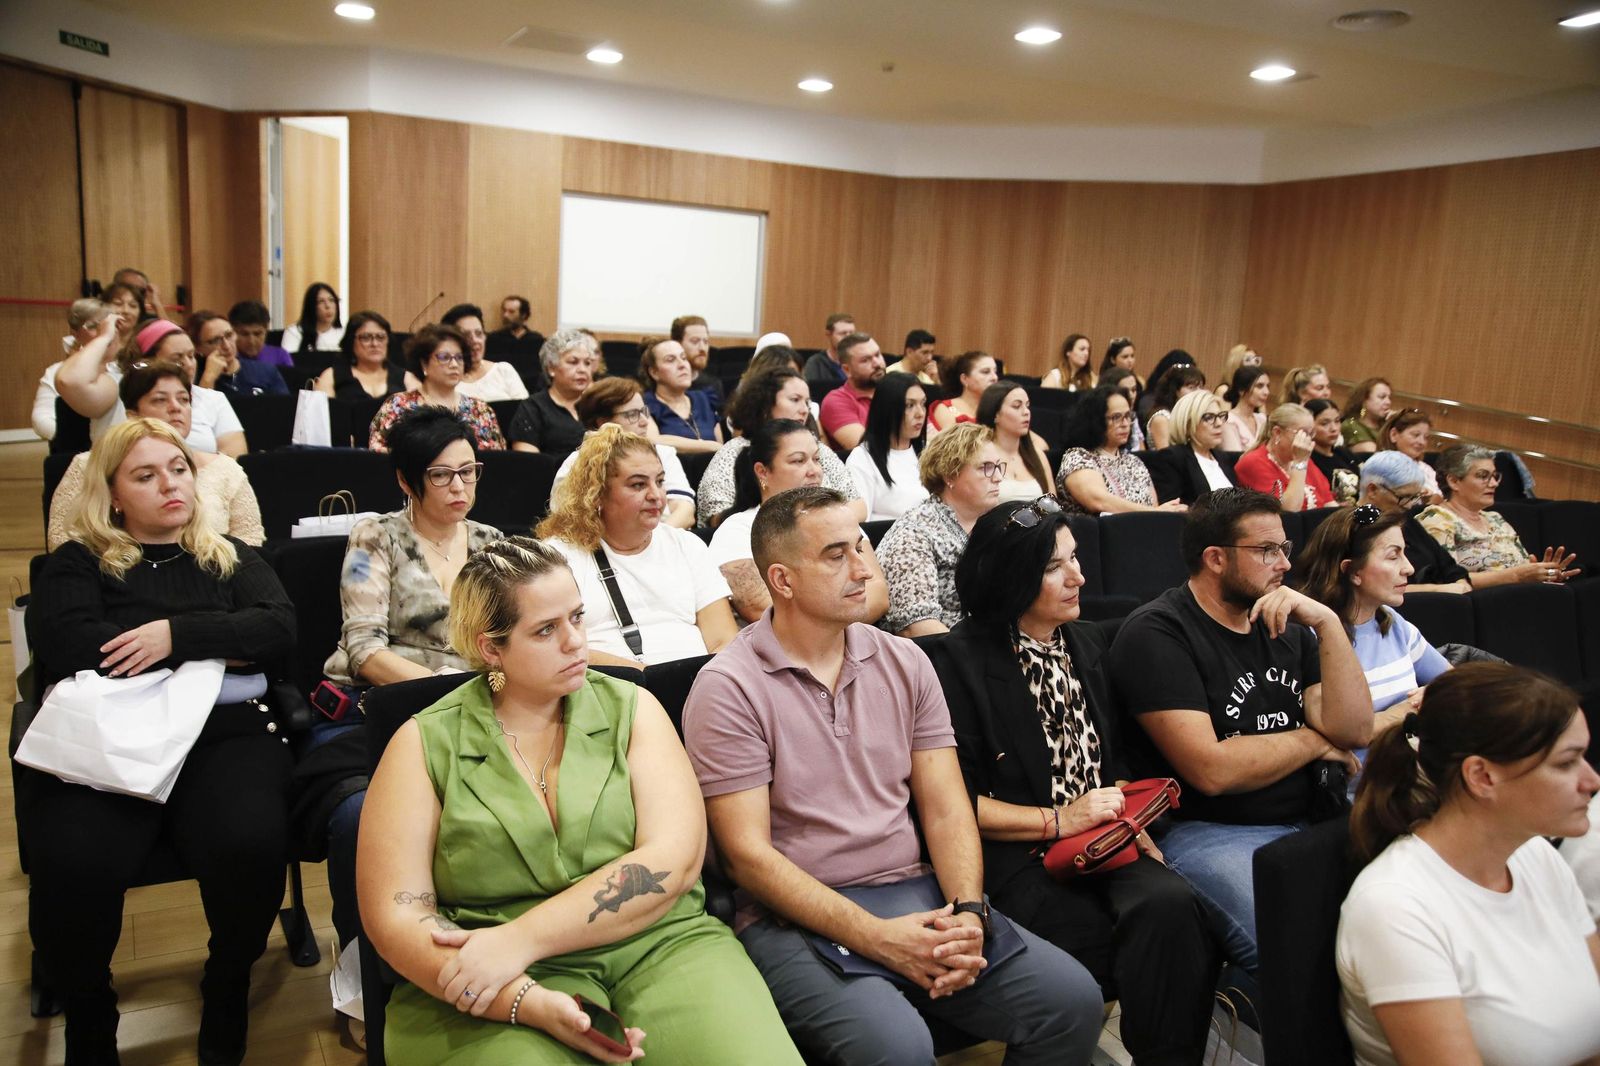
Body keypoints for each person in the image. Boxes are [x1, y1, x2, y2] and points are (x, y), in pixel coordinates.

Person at [683, 486, 1105, 1066]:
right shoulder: (728, 688)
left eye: (861, 546)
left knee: (1072, 1001)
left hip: (918, 890)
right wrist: (879, 938)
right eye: (836, 555)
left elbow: (946, 806)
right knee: (897, 1047)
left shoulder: (906, 661)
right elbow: (746, 858)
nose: (864, 568)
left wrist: (968, 913)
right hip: (796, 916)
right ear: (782, 581)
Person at [359, 536, 802, 1066]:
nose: (576, 642)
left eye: (577, 617)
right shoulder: (422, 743)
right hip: (487, 971)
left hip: (657, 942)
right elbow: (398, 917)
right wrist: (522, 1000)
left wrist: (520, 939)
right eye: (546, 630)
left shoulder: (633, 707)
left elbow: (675, 859)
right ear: (490, 648)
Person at [23, 417, 296, 1066]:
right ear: (113, 493)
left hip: (223, 735)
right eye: (145, 476)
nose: (170, 485)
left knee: (252, 843)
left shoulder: (229, 554)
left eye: (178, 469)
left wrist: (172, 638)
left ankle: (227, 982)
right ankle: (91, 1013)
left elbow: (278, 630)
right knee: (71, 863)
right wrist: (220, 637)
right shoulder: (78, 561)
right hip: (110, 737)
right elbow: (68, 645)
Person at [932, 499, 1221, 1066]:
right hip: (1016, 852)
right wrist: (1061, 819)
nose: (1079, 576)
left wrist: (1129, 819)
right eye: (1054, 567)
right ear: (1011, 575)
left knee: (1175, 909)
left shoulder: (1087, 642)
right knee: (1094, 939)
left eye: (1076, 558)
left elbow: (1111, 757)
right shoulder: (953, 663)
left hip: (1101, 838)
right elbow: (950, 802)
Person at [1107, 487, 1372, 971]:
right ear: (1215, 559)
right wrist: (1315, 741)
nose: (1284, 565)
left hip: (1313, 813)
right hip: (1208, 828)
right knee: (1297, 954)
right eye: (1266, 551)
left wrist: (1329, 624)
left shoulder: (1289, 625)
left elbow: (1354, 729)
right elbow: (1213, 770)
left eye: (1285, 549)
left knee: (1396, 925)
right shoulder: (1157, 633)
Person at [1337, 663, 1600, 1066]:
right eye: (1567, 763)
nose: (1592, 780)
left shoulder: (1536, 855)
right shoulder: (1393, 907)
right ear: (1482, 776)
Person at [321, 405, 504, 950]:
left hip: (477, 707)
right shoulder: (373, 537)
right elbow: (364, 649)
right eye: (441, 475)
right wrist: (446, 693)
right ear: (406, 479)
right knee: (360, 818)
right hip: (386, 705)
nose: (459, 487)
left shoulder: (493, 542)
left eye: (468, 471)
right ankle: (359, 964)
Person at [538, 425, 737, 666]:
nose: (656, 495)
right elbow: (558, 648)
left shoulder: (687, 545)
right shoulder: (557, 557)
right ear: (597, 494)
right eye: (638, 485)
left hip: (696, 686)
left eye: (660, 481)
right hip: (607, 690)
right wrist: (648, 681)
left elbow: (723, 640)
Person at [49, 360, 265, 550]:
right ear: (133, 415)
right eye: (160, 400)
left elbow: (250, 540)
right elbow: (62, 540)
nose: (176, 408)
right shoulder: (89, 466)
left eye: (183, 399)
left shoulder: (226, 469)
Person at [1295, 503, 1451, 746]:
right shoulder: (1307, 636)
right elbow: (1349, 735)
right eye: (1393, 556)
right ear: (1351, 571)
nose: (1409, 568)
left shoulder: (1392, 621)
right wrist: (1409, 710)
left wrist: (1435, 695)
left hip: (1410, 774)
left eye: (1404, 553)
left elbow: (1456, 684)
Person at [711, 420, 889, 624]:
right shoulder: (736, 529)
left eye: (816, 459)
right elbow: (760, 607)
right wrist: (840, 615)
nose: (814, 471)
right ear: (762, 472)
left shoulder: (838, 518)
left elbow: (878, 592)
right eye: (798, 461)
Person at [877, 424, 1005, 636]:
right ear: (950, 475)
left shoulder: (997, 525)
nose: (998, 477)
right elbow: (917, 627)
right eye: (986, 467)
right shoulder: (913, 534)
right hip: (946, 658)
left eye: (999, 466)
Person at [56, 316, 248, 456]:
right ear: (146, 360)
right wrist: (104, 338)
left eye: (190, 355)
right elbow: (69, 380)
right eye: (176, 358)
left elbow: (234, 461)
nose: (189, 365)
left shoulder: (212, 398)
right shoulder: (117, 388)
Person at [696, 368, 863, 528]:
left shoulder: (819, 449)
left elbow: (858, 506)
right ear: (766, 403)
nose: (805, 410)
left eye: (807, 402)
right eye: (795, 400)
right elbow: (716, 517)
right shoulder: (735, 451)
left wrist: (817, 524)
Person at [1416, 445, 1580, 586]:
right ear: (1454, 481)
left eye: (1494, 476)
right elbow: (1445, 580)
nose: (1494, 483)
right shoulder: (1436, 519)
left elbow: (1523, 568)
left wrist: (1542, 573)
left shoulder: (1496, 519)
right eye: (1482, 476)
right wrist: (1518, 576)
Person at [553, 378, 696, 529]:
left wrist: (653, 542)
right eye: (632, 414)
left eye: (644, 412)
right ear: (603, 423)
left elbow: (685, 512)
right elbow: (570, 524)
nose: (644, 421)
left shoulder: (662, 453)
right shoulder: (576, 464)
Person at [369, 325, 505, 453]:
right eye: (444, 357)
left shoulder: (480, 410)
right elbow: (379, 454)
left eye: (459, 358)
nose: (454, 364)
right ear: (424, 363)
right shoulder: (398, 406)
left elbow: (496, 460)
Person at [1055, 384, 1183, 515]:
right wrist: (1157, 512)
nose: (1125, 424)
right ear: (1095, 420)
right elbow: (1099, 502)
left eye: (1128, 416)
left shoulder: (1134, 462)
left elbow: (1152, 505)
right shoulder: (1078, 457)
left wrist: (1162, 512)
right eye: (1116, 417)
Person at [1356, 452, 1474, 594]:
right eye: (1404, 497)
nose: (1410, 505)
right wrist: (1437, 589)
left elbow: (1449, 567)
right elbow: (1370, 587)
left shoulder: (1405, 519)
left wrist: (1461, 584)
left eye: (1415, 497)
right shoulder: (1355, 526)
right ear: (1373, 490)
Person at [845, 372, 930, 521]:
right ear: (887, 409)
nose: (920, 413)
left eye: (923, 403)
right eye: (909, 405)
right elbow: (859, 525)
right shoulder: (862, 459)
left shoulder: (928, 453)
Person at [33, 297, 112, 442]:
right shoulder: (57, 371)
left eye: (107, 326)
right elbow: (41, 420)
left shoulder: (126, 366)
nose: (104, 333)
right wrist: (73, 440)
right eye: (94, 326)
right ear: (75, 333)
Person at [508, 328, 596, 455]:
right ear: (551, 368)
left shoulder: (598, 405)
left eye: (587, 363)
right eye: (573, 362)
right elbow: (529, 464)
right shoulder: (532, 408)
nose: (582, 369)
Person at [1234, 402, 1336, 511]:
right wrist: (1300, 463)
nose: (1307, 440)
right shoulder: (1253, 462)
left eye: (1311, 434)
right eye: (1302, 433)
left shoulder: (1303, 460)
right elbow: (1289, 511)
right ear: (1277, 432)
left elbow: (1329, 503)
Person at [1146, 390, 1238, 505]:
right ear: (1188, 423)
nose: (1219, 423)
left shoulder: (1222, 457)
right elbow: (1173, 510)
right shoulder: (1172, 458)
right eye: (1209, 417)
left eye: (1221, 416)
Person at [638, 335, 722, 454]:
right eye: (670, 360)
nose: (682, 365)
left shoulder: (703, 398)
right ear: (654, 372)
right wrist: (707, 446)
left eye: (684, 357)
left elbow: (721, 447)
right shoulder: (643, 404)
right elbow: (652, 440)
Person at [315, 310, 419, 402]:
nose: (374, 344)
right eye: (366, 337)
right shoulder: (331, 377)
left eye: (381, 337)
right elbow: (320, 419)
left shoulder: (407, 378)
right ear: (351, 342)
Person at [977, 380, 1054, 502]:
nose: (1026, 412)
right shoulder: (980, 455)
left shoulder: (1038, 455)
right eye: (1016, 406)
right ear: (995, 415)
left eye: (1027, 406)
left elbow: (1053, 506)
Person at [188, 310, 288, 397]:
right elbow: (199, 416)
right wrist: (208, 378)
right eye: (215, 340)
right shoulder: (192, 379)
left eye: (229, 335)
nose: (226, 346)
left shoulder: (266, 371)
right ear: (198, 348)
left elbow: (286, 411)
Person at [445, 303, 529, 403]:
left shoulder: (503, 371)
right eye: (466, 335)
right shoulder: (446, 380)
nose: (475, 340)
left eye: (479, 333)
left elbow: (526, 413)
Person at [818, 330, 886, 453]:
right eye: (866, 360)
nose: (877, 363)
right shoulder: (836, 401)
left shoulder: (896, 392)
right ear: (847, 370)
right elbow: (866, 450)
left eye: (878, 355)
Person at [1377, 408, 1443, 504]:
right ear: (1394, 434)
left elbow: (1440, 497)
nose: (1422, 442)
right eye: (1415, 435)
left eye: (1426, 437)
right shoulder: (1381, 464)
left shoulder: (1425, 468)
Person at [927, 350, 998, 435]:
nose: (994, 377)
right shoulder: (946, 409)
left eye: (995, 371)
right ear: (964, 379)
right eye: (986, 372)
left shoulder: (998, 410)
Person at [1306, 398, 1362, 502]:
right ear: (1309, 426)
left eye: (1337, 421)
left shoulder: (1343, 453)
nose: (1334, 428)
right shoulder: (1308, 459)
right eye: (1324, 423)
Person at [484, 294, 545, 386]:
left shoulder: (536, 341)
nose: (505, 315)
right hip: (499, 390)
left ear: (523, 315)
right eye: (504, 311)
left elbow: (539, 372)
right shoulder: (493, 339)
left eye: (511, 312)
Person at [1144, 363, 1206, 451]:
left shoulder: (1194, 416)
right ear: (1175, 390)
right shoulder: (1162, 418)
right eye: (1191, 387)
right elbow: (1166, 456)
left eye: (1200, 387)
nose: (1198, 392)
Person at [671, 313, 726, 408]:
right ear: (677, 344)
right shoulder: (664, 383)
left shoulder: (713, 385)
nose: (702, 348)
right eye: (695, 341)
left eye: (705, 341)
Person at [281, 282, 344, 354]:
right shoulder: (295, 332)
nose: (328, 306)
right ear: (311, 307)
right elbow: (287, 362)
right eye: (321, 301)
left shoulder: (343, 334)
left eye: (331, 300)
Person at [228, 299, 292, 369]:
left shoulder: (280, 356)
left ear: (266, 330)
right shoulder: (227, 358)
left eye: (257, 334)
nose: (251, 341)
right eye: (244, 334)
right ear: (232, 332)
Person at [1220, 365, 1270, 453]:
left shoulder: (1262, 419)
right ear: (1241, 390)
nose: (1266, 392)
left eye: (1267, 386)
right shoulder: (1228, 420)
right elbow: (1235, 457)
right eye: (1259, 386)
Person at [1339, 377, 1393, 456]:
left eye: (1389, 398)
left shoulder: (1386, 425)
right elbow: (1374, 455)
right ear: (1364, 400)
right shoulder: (1350, 425)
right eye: (1382, 397)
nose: (1388, 402)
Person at [802, 312, 855, 390]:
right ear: (829, 334)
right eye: (843, 333)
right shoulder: (816, 363)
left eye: (851, 333)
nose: (848, 338)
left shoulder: (858, 362)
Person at [1099, 365, 1147, 451]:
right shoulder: (1099, 420)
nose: (1131, 396)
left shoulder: (1133, 416)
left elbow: (1142, 453)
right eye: (1125, 391)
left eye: (1134, 390)